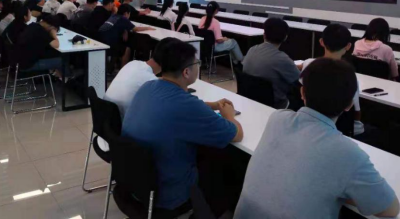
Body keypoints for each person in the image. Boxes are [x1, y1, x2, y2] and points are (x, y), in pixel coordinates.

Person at [234, 58, 400, 219]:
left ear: (302, 93)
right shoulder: (348, 152)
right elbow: (391, 209)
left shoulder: (277, 118)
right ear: (349, 104)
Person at [122, 41, 243, 211]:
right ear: (187, 72)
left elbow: (184, 105)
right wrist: (229, 116)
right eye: (197, 63)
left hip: (134, 182)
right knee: (228, 158)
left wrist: (213, 105)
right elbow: (236, 134)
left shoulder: (148, 86)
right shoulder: (187, 106)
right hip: (167, 194)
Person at [300, 24, 363, 134]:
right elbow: (356, 112)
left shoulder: (308, 64)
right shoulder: (349, 76)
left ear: (321, 42)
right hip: (339, 129)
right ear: (348, 46)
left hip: (308, 122)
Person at [105, 37, 177, 119]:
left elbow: (145, 79)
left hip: (105, 117)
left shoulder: (133, 63)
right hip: (121, 122)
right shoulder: (151, 81)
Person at [242, 17, 299, 109]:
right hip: (276, 105)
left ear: (264, 35)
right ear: (285, 37)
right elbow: (299, 80)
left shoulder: (252, 49)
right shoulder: (282, 59)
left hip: (250, 99)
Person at [14, 14, 66, 79]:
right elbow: (57, 44)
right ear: (51, 26)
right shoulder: (42, 32)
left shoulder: (32, 25)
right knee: (60, 61)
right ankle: (66, 78)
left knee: (51, 53)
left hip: (18, 60)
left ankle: (56, 74)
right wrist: (53, 34)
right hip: (27, 65)